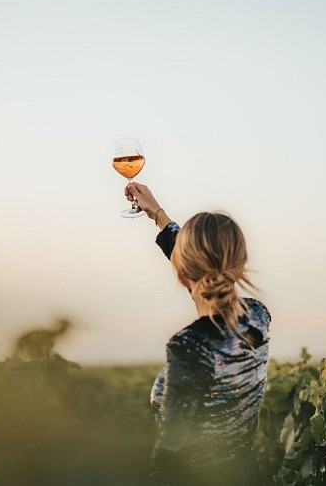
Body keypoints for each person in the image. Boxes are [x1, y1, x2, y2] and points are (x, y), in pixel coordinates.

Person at [124, 183, 272, 486]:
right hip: (246, 474)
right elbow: (202, 269)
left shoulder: (188, 345)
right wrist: (157, 213)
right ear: (240, 264)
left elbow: (172, 448)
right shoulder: (258, 316)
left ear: (181, 271)